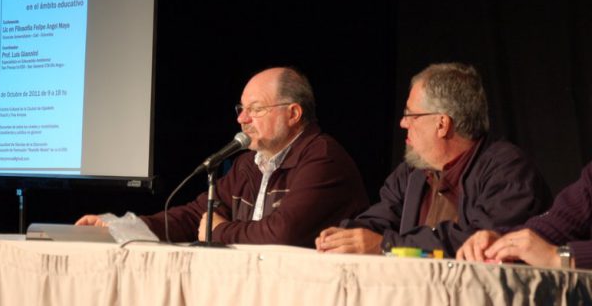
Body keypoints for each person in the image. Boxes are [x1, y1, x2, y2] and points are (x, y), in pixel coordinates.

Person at [76, 66, 369, 247]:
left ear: (293, 113)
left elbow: (282, 233)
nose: (243, 118)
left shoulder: (322, 159)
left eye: (256, 109)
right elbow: (194, 216)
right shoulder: (247, 164)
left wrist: (219, 230)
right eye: (241, 109)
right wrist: (119, 226)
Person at [316, 62, 551, 257]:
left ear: (442, 124)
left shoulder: (508, 170)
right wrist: (345, 235)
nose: (403, 123)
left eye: (411, 114)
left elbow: (478, 242)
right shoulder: (413, 170)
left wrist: (386, 246)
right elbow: (381, 217)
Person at [456, 162, 592, 269]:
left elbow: (551, 254)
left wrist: (560, 258)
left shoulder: (506, 163)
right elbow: (561, 220)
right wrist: (502, 240)